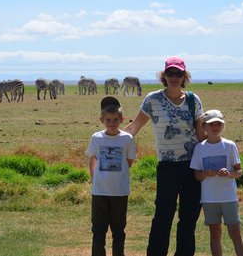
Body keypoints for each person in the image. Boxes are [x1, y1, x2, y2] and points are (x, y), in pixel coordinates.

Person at [124, 57, 206, 256]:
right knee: (163, 215)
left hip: (193, 167)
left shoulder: (194, 100)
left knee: (189, 216)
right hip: (167, 167)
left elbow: (202, 134)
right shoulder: (153, 100)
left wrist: (221, 151)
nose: (174, 78)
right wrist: (109, 140)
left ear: (185, 77)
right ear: (164, 76)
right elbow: (135, 127)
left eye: (178, 74)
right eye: (170, 73)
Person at [190, 109, 243, 256]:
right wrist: (207, 173)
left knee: (235, 233)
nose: (215, 127)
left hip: (228, 197)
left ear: (223, 126)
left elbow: (239, 171)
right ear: (204, 127)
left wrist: (229, 174)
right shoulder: (200, 148)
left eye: (218, 124)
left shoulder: (230, 145)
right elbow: (197, 175)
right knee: (215, 234)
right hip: (209, 198)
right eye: (211, 124)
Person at [86, 96, 137, 256]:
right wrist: (95, 179)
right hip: (100, 192)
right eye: (108, 119)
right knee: (98, 231)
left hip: (120, 192)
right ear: (102, 120)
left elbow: (129, 161)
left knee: (118, 231)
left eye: (115, 119)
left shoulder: (127, 139)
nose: (112, 123)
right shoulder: (96, 138)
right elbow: (92, 158)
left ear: (121, 119)